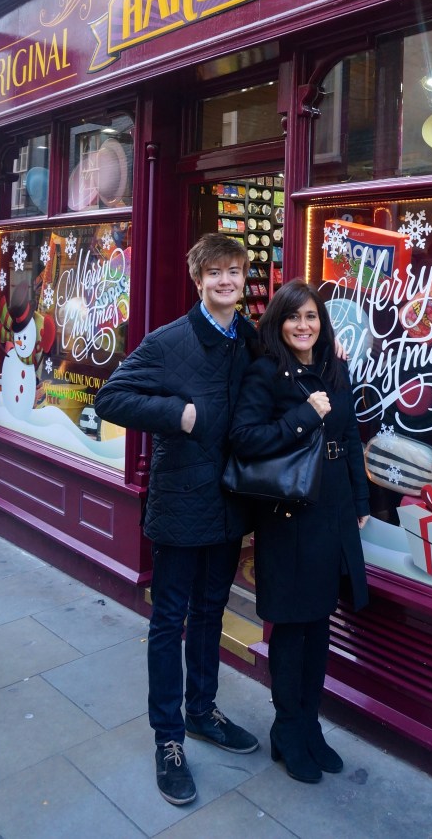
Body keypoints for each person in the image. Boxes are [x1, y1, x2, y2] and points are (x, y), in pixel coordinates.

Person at [94, 233, 259, 808]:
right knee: (169, 622)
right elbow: (111, 398)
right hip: (179, 505)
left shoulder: (250, 340)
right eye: (214, 273)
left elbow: (285, 377)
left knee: (211, 613)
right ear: (198, 280)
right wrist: (175, 414)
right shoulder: (168, 342)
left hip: (229, 505)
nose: (224, 282)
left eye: (233, 272)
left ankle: (202, 712)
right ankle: (168, 739)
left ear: (244, 280)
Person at [230, 278, 370, 784]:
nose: (303, 326)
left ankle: (309, 726)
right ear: (278, 323)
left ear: (321, 321)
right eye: (293, 317)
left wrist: (360, 499)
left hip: (331, 509)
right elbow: (246, 439)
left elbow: (351, 435)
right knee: (291, 626)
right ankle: (287, 728)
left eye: (311, 316)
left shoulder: (335, 367)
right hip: (288, 514)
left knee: (319, 623)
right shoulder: (266, 373)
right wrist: (302, 417)